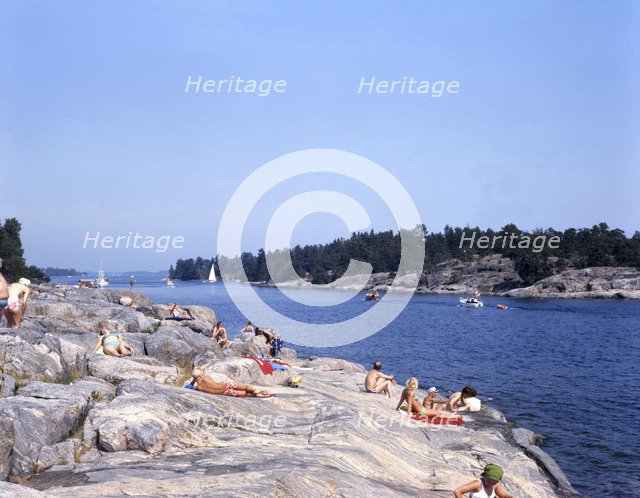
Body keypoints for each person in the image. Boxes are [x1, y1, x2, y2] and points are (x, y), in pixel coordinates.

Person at [396, 378, 460, 419]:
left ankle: (452, 416)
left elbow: (401, 400)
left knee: (437, 412)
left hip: (421, 409)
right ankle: (455, 417)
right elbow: (409, 404)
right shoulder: (411, 392)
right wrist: (408, 414)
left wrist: (397, 408)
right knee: (438, 414)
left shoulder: (405, 390)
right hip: (421, 411)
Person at [191, 368, 272, 397]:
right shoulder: (206, 377)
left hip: (224, 392)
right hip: (225, 385)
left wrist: (194, 381)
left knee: (245, 393)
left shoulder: (198, 388)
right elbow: (212, 383)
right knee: (245, 387)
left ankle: (259, 395)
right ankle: (258, 391)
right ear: (201, 374)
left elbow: (189, 386)